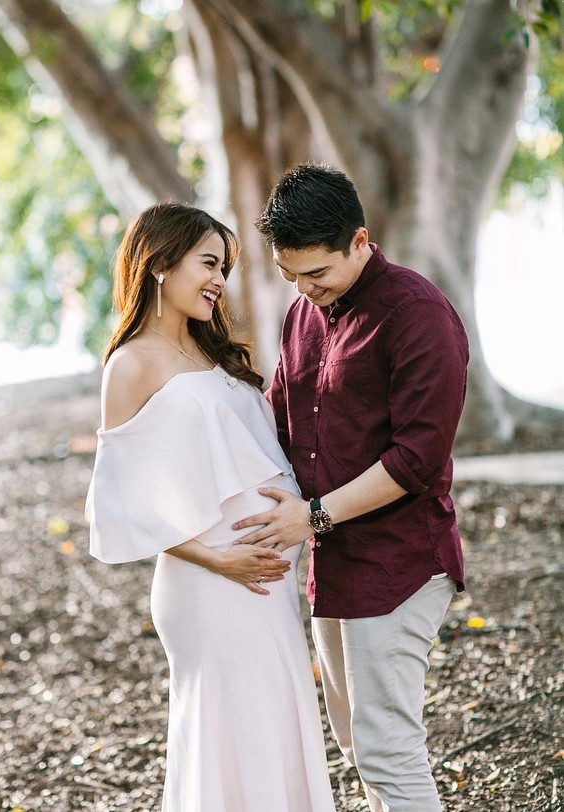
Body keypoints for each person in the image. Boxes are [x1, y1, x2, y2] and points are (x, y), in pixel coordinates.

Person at [232, 163, 469, 812]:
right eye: (290, 276)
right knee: (356, 747)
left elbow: (419, 456)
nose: (305, 291)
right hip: (333, 568)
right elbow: (278, 418)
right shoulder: (303, 314)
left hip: (401, 563)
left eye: (318, 274)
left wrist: (311, 516)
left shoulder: (418, 315)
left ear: (360, 242)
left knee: (388, 751)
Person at [85, 201, 336, 812]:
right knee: (232, 734)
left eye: (222, 266)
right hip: (208, 584)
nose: (219, 279)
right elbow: (120, 505)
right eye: (208, 263)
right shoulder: (131, 364)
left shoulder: (216, 356)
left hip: (265, 585)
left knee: (275, 725)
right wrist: (220, 561)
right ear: (160, 264)